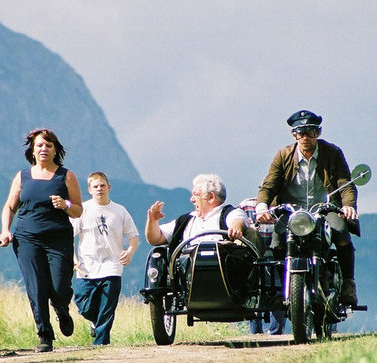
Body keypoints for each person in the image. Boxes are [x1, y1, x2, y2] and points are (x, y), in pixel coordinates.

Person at [255, 110, 360, 307]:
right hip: (292, 211)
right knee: (277, 241)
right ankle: (281, 288)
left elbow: (345, 184)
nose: (304, 137)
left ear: (318, 133)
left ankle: (348, 283)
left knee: (341, 233)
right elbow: (269, 185)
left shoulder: (332, 153)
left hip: (325, 209)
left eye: (310, 132)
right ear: (294, 135)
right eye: (300, 133)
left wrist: (348, 206)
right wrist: (262, 206)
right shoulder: (283, 155)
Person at [1, 128, 83, 353]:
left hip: (58, 238)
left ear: (55, 150)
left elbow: (78, 209)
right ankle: (45, 335)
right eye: (39, 145)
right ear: (32, 150)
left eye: (48, 145)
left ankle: (62, 308)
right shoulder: (22, 176)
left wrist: (65, 204)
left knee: (59, 287)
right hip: (27, 238)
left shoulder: (66, 176)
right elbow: (10, 206)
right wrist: (5, 230)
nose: (44, 149)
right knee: (36, 287)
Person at [71, 172, 140, 345]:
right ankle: (94, 321)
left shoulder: (120, 210)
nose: (99, 189)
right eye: (95, 186)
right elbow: (68, 236)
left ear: (109, 187)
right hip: (86, 266)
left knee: (107, 308)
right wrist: (73, 259)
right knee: (83, 305)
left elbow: (133, 236)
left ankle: (101, 343)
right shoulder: (82, 210)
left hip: (112, 265)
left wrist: (130, 252)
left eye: (102, 185)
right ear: (89, 189)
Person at [145, 174, 256, 249]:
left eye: (196, 195)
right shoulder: (185, 220)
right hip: (189, 271)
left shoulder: (228, 213)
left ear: (211, 197)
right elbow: (155, 239)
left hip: (222, 271)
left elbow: (237, 220)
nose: (191, 199)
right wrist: (152, 221)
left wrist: (235, 229)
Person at [238, 197, 286, 335]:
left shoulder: (287, 206)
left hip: (278, 256)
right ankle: (256, 333)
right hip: (253, 256)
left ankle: (276, 332)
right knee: (253, 292)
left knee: (279, 292)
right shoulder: (247, 205)